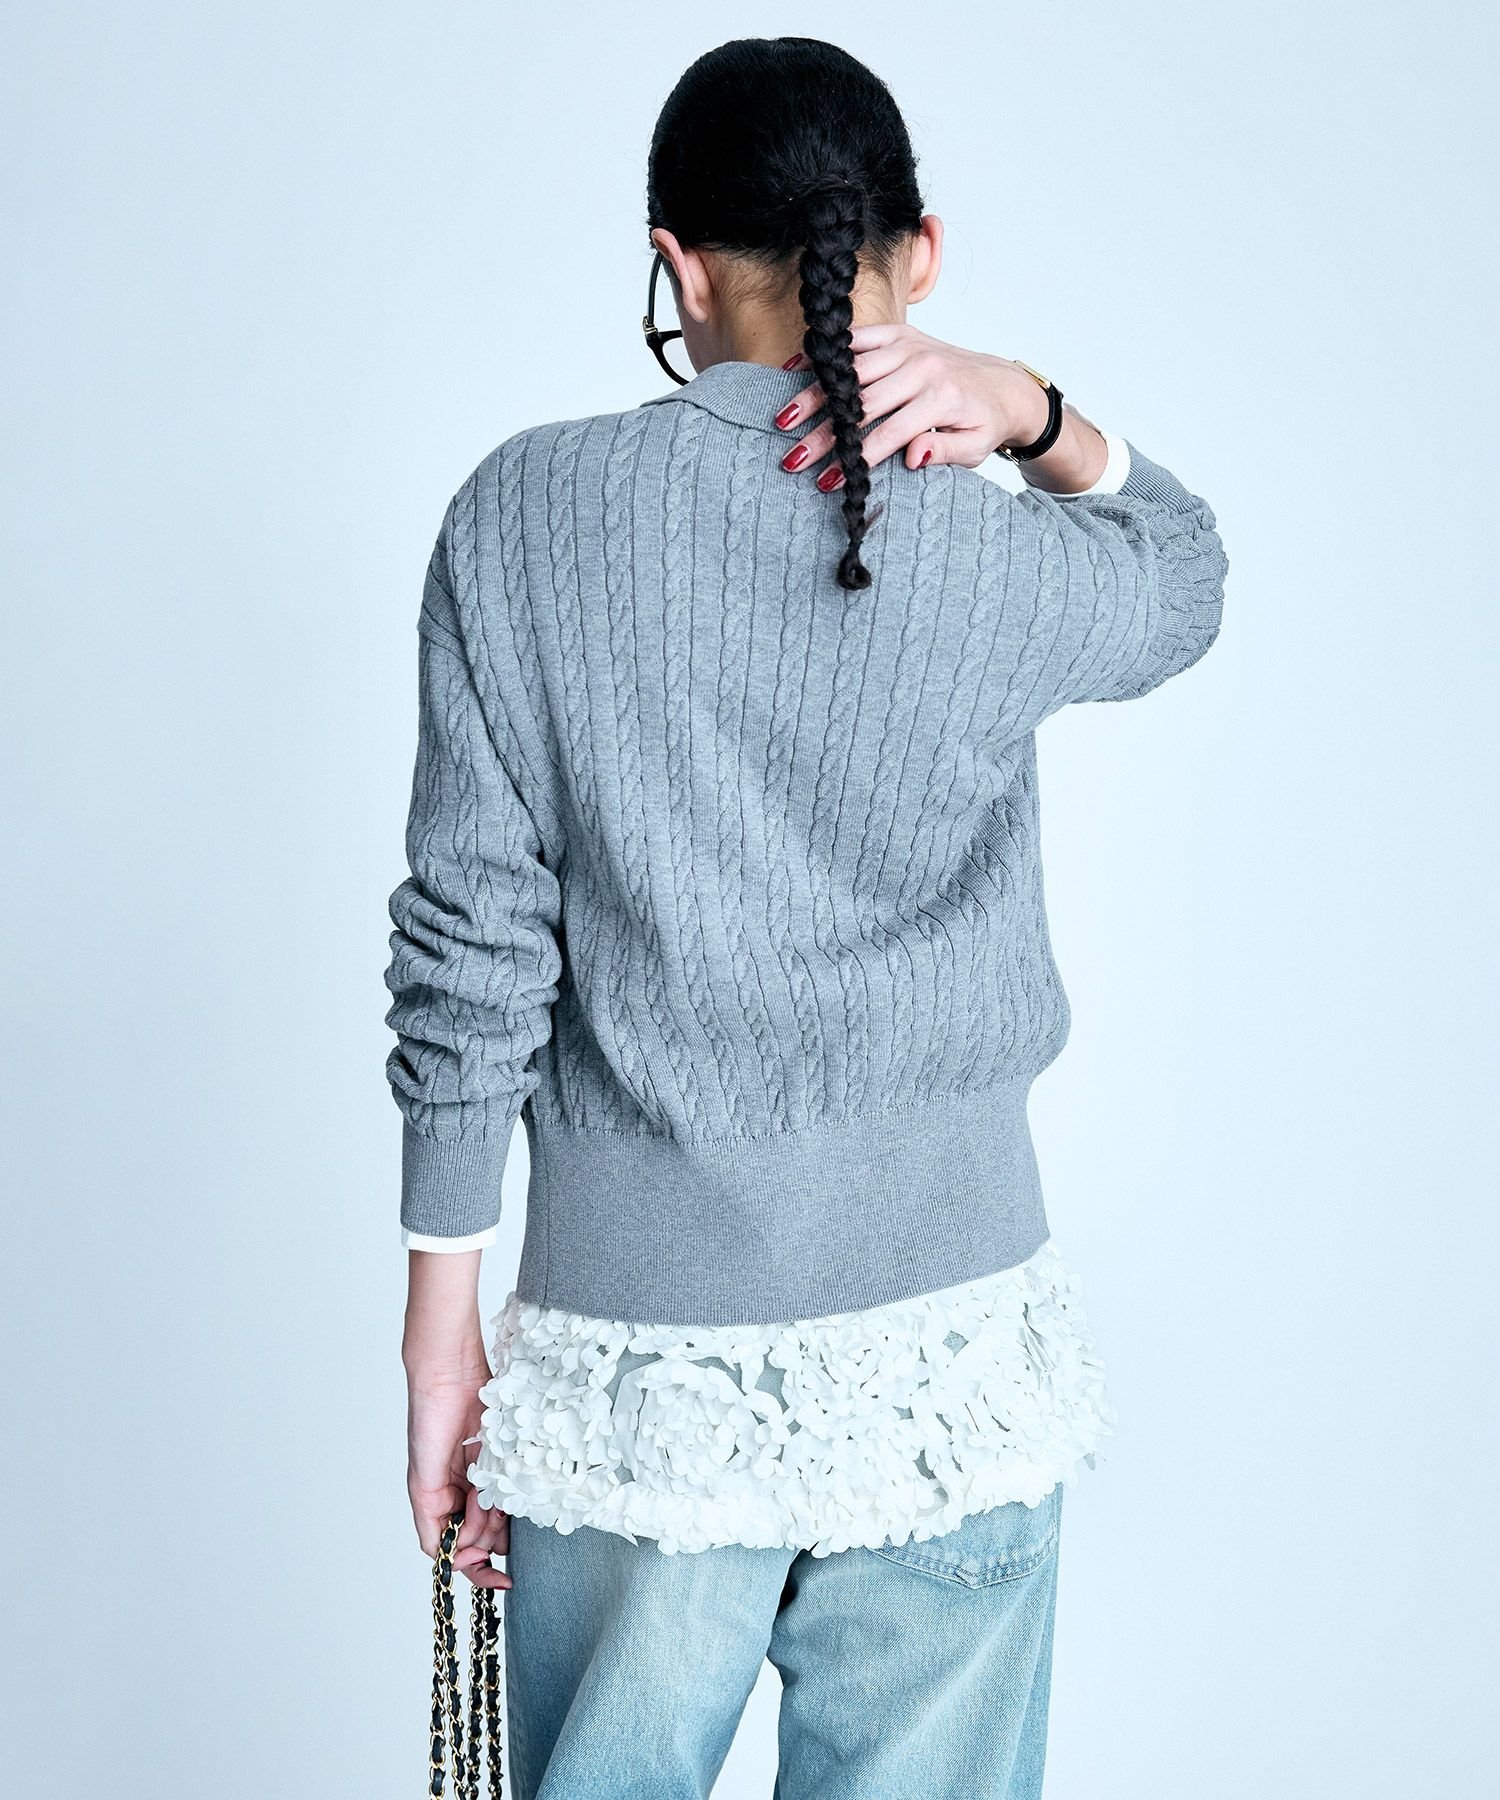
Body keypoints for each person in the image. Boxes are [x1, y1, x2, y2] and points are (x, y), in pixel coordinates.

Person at [387, 35, 1228, 1800]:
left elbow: (472, 939)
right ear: (919, 253)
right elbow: (1182, 574)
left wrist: (439, 1327)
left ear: (676, 266)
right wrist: (1036, 412)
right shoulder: (990, 545)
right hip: (950, 1364)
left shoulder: (522, 519)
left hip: (638, 1381)